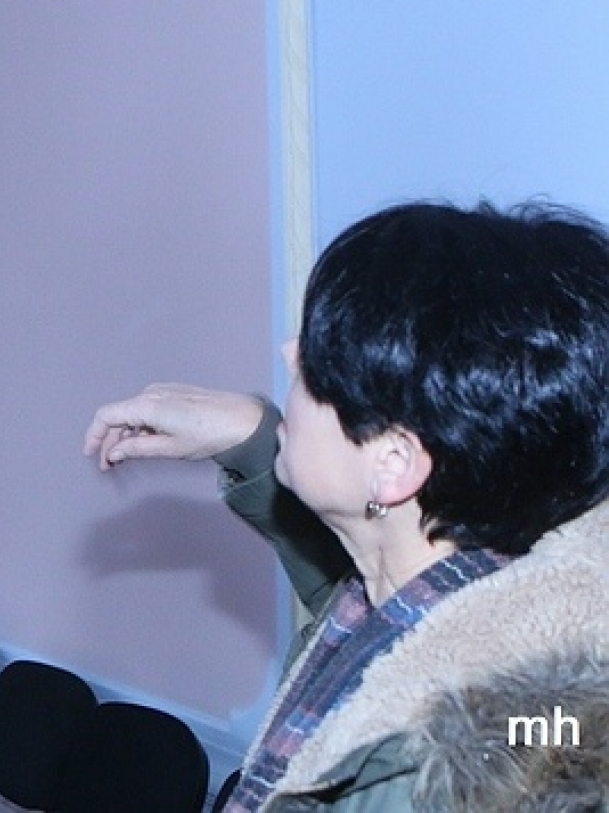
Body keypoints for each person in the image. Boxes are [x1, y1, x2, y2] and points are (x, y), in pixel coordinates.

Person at [84, 202, 609, 811]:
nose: (289, 353)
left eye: (318, 365)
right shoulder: (463, 594)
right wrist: (257, 437)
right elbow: (365, 614)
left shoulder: (422, 782)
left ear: (394, 464)